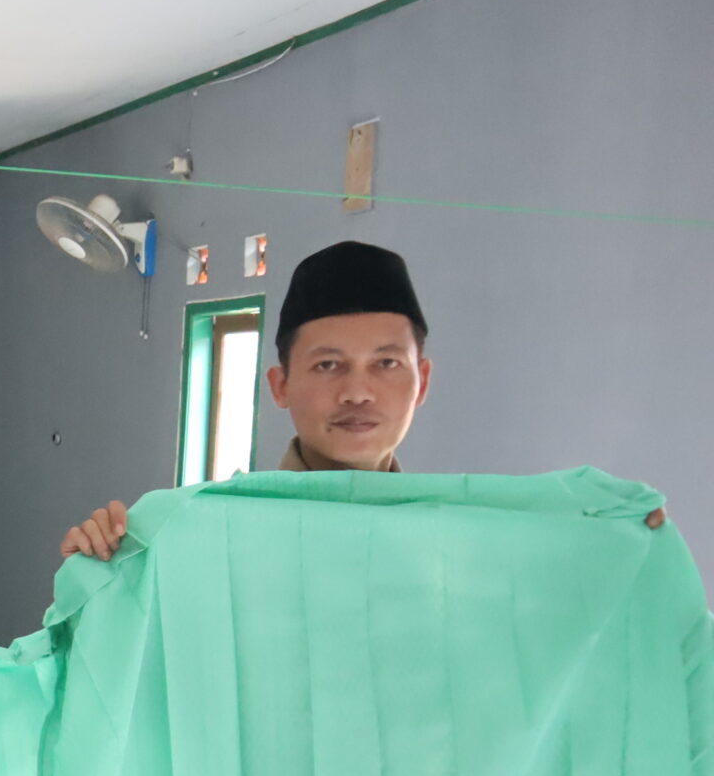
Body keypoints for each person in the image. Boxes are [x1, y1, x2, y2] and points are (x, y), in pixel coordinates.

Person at [59, 239, 666, 561]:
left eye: (386, 364)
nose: (357, 391)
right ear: (280, 385)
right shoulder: (210, 537)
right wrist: (108, 566)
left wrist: (616, 553)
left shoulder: (458, 546)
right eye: (328, 365)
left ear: (422, 381)